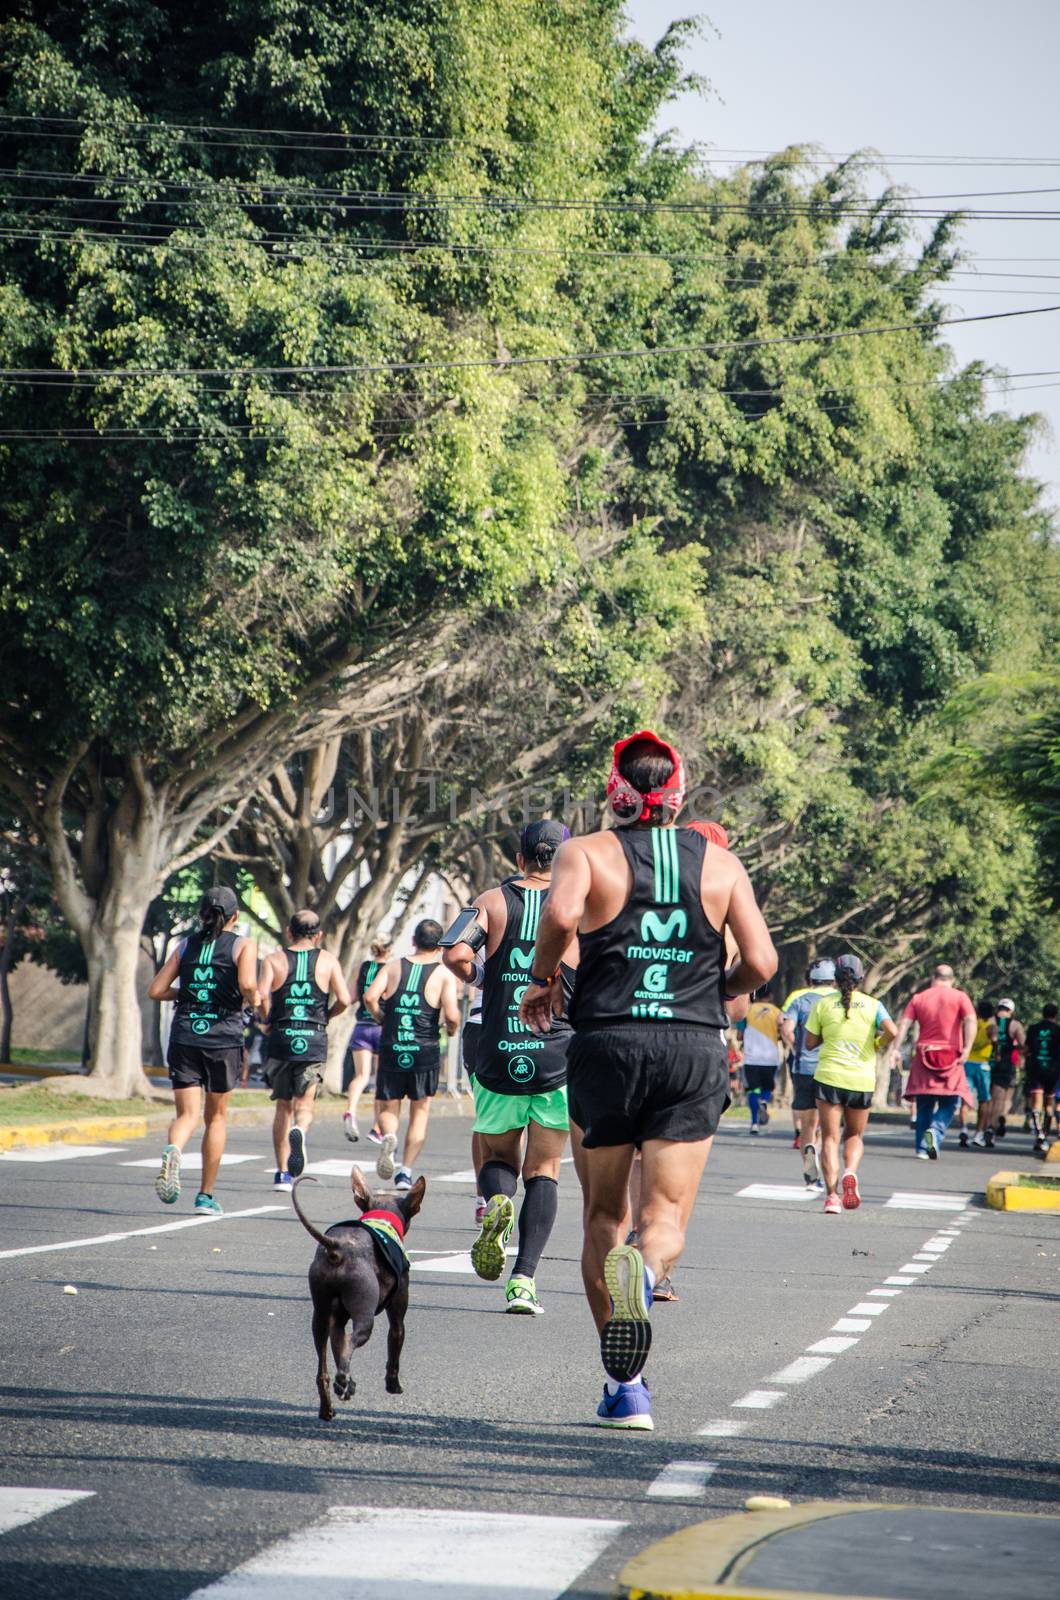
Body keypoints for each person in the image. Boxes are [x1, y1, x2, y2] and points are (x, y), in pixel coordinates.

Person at [520, 729, 776, 1431]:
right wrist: (714, 992)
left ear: (615, 792)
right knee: (664, 1220)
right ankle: (648, 1266)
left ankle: (625, 1387)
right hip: (691, 1050)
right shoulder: (720, 864)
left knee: (604, 1215)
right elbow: (761, 959)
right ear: (680, 794)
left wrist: (543, 980)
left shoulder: (587, 852)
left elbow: (564, 915)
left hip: (606, 1044)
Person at [444, 820, 577, 1316]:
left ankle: (496, 1202)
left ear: (520, 859)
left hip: (499, 1047)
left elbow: (455, 953)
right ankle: (523, 1282)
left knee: (499, 1158)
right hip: (557, 1054)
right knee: (545, 1169)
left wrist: (486, 976)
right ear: (563, 861)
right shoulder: (575, 907)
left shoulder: (492, 901)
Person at [148, 887, 259, 1214]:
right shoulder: (243, 945)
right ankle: (205, 1195)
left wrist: (190, 993)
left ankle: (174, 1149)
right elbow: (250, 985)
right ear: (235, 916)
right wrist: (253, 1000)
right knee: (217, 1118)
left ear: (202, 914)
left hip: (184, 1036)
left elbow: (156, 990)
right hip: (222, 1038)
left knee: (186, 1115)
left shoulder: (186, 945)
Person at [365, 919, 459, 1189]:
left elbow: (371, 996)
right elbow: (452, 1014)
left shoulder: (393, 966)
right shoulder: (443, 974)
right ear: (441, 946)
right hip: (425, 1049)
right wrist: (450, 1030)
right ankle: (405, 1171)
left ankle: (389, 1136)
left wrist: (382, 1017)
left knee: (388, 1104)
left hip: (393, 1046)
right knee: (420, 1111)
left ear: (414, 941)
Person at [259, 909, 351, 1187]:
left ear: (289, 931)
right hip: (313, 1038)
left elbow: (262, 995)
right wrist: (326, 1016)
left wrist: (267, 1020)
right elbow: (345, 999)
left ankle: (282, 1174)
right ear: (318, 935)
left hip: (282, 1038)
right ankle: (300, 1128)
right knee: (305, 1104)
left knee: (282, 1107)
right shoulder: (328, 961)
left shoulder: (273, 960)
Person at [804, 953, 896, 1213]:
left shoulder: (823, 1005)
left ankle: (832, 1197)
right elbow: (894, 1031)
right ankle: (851, 1172)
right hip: (861, 1081)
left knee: (830, 1138)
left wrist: (829, 1035)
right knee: (854, 1135)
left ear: (834, 979)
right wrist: (877, 1044)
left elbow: (809, 1044)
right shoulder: (873, 1005)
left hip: (829, 1078)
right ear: (861, 978)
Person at [892, 964, 976, 1160]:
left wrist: (896, 1049)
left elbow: (904, 1023)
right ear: (952, 979)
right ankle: (936, 1130)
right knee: (951, 1101)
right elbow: (971, 1020)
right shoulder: (960, 997)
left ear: (933, 978)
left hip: (924, 1055)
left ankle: (922, 1148)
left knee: (924, 1104)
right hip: (951, 1055)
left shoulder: (919, 998)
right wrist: (967, 1047)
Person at [780, 959, 837, 1188]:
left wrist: (796, 1047)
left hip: (804, 1067)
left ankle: (809, 1166)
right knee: (830, 1122)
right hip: (832, 1069)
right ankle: (819, 1148)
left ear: (811, 980)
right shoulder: (838, 1002)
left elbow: (786, 1028)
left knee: (807, 1123)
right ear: (834, 980)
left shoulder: (800, 1000)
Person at [343, 938, 391, 1143]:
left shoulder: (363, 968)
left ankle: (350, 1112)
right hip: (382, 1027)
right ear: (389, 950)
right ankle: (377, 1127)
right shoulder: (390, 969)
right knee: (381, 1080)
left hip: (361, 1026)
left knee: (361, 1075)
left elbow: (351, 997)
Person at [740, 985, 783, 1136]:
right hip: (770, 1057)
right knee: (768, 1088)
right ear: (770, 996)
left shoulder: (747, 1010)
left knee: (753, 1090)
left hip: (751, 1058)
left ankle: (754, 1123)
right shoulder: (777, 1012)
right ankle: (764, 1102)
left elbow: (739, 1034)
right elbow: (782, 1032)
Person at [983, 998, 1026, 1148]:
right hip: (1006, 1064)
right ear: (1011, 1011)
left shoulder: (988, 1021)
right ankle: (992, 1126)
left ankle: (983, 1128)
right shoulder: (1015, 1025)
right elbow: (1023, 1045)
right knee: (1000, 1099)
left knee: (986, 1098)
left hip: (986, 1062)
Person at [1024, 1002, 1060, 1151]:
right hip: (1053, 1071)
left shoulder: (1033, 1029)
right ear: (1056, 1015)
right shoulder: (1058, 1030)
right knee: (1049, 1104)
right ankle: (1044, 1134)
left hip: (1036, 1069)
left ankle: (1039, 1133)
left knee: (1036, 1103)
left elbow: (1026, 1050)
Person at [960, 1001, 994, 1147]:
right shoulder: (991, 1026)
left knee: (965, 1099)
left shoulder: (970, 1024)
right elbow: (994, 1039)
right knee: (984, 1100)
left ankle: (964, 1129)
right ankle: (979, 1133)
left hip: (967, 1063)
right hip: (983, 1065)